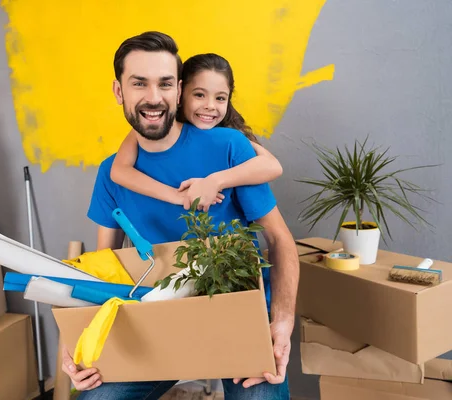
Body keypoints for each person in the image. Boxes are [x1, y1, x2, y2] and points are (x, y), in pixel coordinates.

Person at [62, 31, 299, 400]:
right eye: (139, 83)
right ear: (118, 91)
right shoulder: (113, 171)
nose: (154, 97)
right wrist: (77, 344)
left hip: (239, 319)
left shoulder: (229, 147)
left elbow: (281, 240)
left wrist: (282, 323)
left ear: (178, 90)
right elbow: (104, 269)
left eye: (165, 84)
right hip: (151, 328)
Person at [110, 52, 283, 212]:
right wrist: (176, 195)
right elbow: (119, 170)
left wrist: (214, 181)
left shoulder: (230, 138)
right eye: (199, 95)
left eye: (220, 98)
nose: (210, 105)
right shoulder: (154, 127)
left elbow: (272, 166)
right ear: (179, 94)